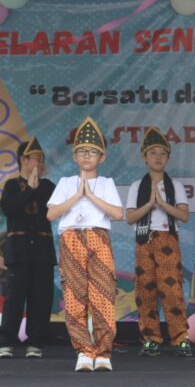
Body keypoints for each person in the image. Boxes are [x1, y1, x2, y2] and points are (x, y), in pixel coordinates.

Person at [47, 118, 124, 372]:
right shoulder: (66, 183)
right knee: (75, 296)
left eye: (92, 151)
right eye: (81, 151)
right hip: (71, 238)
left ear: (102, 157)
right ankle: (83, 351)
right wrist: (77, 195)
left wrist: (90, 195)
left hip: (98, 237)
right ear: (75, 156)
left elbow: (118, 214)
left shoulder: (106, 183)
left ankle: (103, 353)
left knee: (102, 294)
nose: (86, 155)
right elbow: (51, 214)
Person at [126, 127, 191, 357]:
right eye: (153, 153)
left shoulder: (176, 186)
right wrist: (149, 203)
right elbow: (130, 218)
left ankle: (180, 337)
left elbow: (184, 215)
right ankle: (151, 337)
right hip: (144, 239)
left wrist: (162, 204)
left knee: (171, 288)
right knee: (145, 290)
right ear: (144, 157)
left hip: (167, 239)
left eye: (162, 153)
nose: (157, 157)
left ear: (168, 158)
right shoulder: (137, 186)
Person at [0, 137, 57, 359]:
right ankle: (5, 342)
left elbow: (51, 209)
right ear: (23, 160)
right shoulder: (11, 185)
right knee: (14, 299)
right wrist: (28, 188)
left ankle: (36, 342)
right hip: (18, 252)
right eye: (36, 159)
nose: (40, 163)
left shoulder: (48, 186)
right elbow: (11, 209)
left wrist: (35, 185)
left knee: (41, 298)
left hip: (42, 252)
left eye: (42, 160)